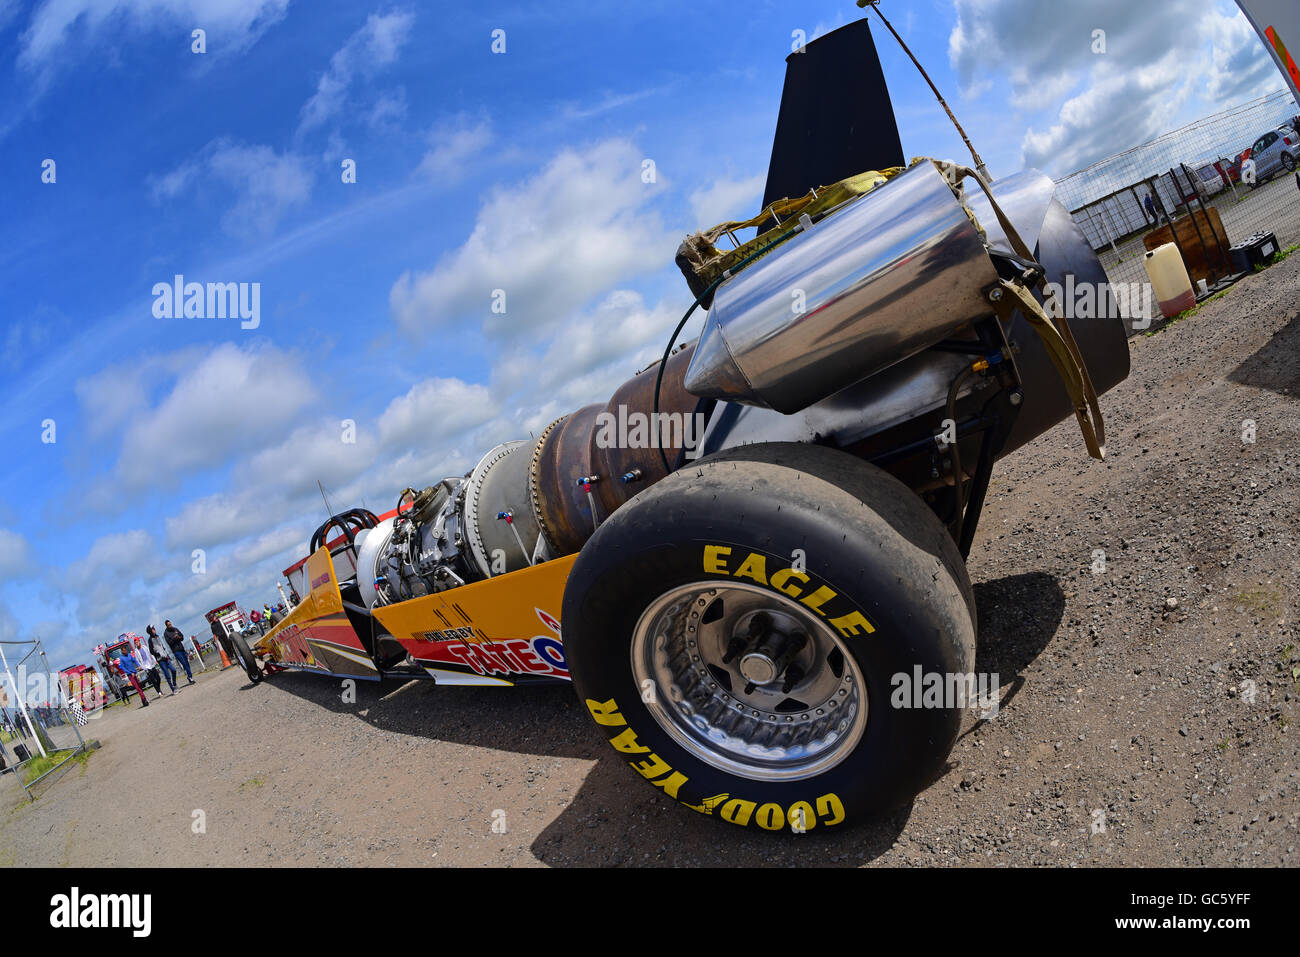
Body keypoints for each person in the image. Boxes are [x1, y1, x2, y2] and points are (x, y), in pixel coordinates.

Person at [146, 626, 178, 694]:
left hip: (165, 657)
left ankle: (174, 684)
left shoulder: (157, 636)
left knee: (173, 670)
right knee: (167, 675)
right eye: (153, 629)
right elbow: (151, 651)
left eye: (154, 628)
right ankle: (173, 690)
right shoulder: (150, 640)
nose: (154, 629)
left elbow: (161, 646)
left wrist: (166, 654)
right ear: (150, 631)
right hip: (160, 660)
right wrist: (158, 654)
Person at [162, 620, 195, 684]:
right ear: (166, 626)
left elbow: (182, 637)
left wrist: (178, 637)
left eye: (170, 624)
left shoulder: (175, 629)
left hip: (181, 648)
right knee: (184, 663)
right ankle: (190, 677)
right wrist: (174, 638)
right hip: (176, 650)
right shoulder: (166, 633)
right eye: (169, 625)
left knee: (187, 663)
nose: (170, 625)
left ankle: (189, 676)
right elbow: (169, 643)